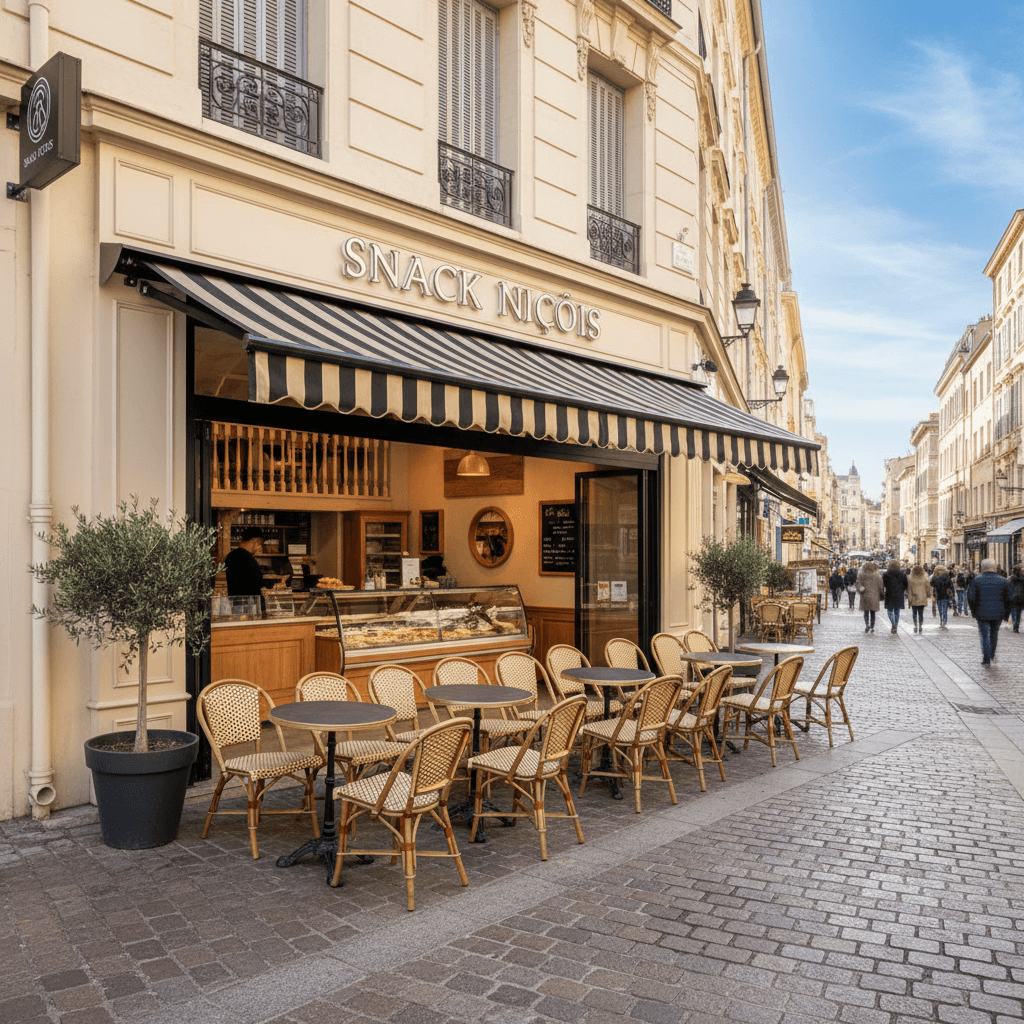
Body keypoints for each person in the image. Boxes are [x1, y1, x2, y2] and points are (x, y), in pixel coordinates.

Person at [966, 559, 1013, 666]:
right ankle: (991, 653)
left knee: (984, 635)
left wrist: (973, 611)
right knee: (994, 634)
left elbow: (971, 597)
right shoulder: (1003, 581)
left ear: (983, 568)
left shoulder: (977, 580)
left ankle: (986, 658)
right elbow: (1010, 598)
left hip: (982, 612)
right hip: (998, 613)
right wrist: (1006, 612)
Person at [225, 526, 265, 596]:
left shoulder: (232, 555)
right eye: (261, 544)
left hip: (237, 602)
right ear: (255, 541)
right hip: (246, 603)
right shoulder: (246, 557)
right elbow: (256, 582)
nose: (261, 548)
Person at [881, 559, 910, 634]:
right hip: (899, 594)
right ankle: (895, 625)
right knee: (897, 611)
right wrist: (902, 590)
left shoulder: (886, 575)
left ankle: (893, 624)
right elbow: (906, 585)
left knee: (889, 611)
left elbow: (883, 584)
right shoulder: (902, 575)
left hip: (889, 593)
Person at [857, 561, 884, 633]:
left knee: (866, 612)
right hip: (874, 596)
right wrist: (882, 595)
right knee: (873, 612)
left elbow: (858, 584)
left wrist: (860, 590)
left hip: (865, 595)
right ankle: (872, 626)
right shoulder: (878, 576)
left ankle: (867, 624)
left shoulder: (861, 575)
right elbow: (881, 587)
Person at [907, 565, 930, 633]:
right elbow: (928, 587)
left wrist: (909, 597)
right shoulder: (925, 578)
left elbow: (909, 589)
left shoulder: (910, 578)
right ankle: (920, 625)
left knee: (914, 613)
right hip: (922, 597)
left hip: (914, 598)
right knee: (921, 613)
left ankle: (915, 625)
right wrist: (928, 594)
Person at [1009, 564, 1024, 633]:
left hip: (1013, 598)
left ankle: (1015, 624)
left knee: (1014, 612)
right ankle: (1016, 625)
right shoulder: (1023, 579)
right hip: (1021, 597)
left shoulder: (1010, 579)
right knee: (1018, 612)